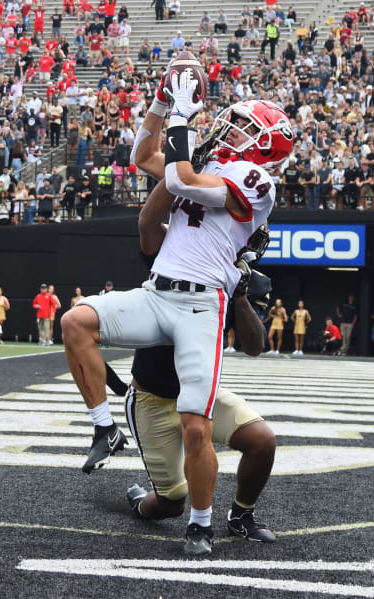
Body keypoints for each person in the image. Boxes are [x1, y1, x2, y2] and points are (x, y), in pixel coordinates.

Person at [63, 70, 292, 555]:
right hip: (158, 294)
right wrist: (161, 102)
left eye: (245, 129)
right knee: (75, 321)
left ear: (265, 148)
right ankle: (105, 428)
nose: (232, 130)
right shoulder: (199, 185)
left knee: (203, 427)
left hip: (200, 303)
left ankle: (206, 525)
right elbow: (144, 159)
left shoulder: (258, 181)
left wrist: (185, 116)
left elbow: (182, 179)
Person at [123, 202, 276, 542]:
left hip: (200, 394)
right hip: (153, 396)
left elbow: (254, 347)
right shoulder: (175, 257)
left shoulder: (249, 282)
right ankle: (140, 502)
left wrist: (238, 296)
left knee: (262, 441)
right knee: (170, 503)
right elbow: (147, 224)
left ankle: (241, 514)